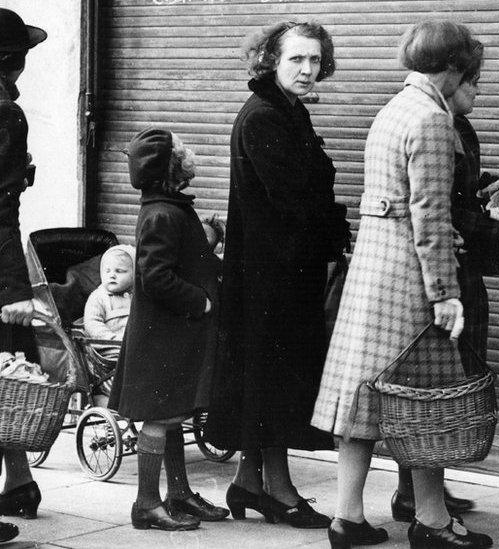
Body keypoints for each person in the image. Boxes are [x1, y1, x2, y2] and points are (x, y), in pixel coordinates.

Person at [312, 20, 494, 549]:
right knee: (426, 402)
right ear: (455, 67)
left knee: (365, 399)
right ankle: (433, 523)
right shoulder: (434, 119)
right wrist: (446, 292)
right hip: (410, 280)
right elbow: (431, 213)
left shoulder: (394, 109)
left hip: (373, 270)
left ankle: (346, 519)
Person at [204, 20, 350, 529]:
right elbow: (294, 202)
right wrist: (336, 226)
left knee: (270, 379)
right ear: (271, 60)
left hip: (286, 271)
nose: (309, 69)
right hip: (270, 276)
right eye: (297, 60)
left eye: (315, 60)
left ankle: (248, 483)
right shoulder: (264, 116)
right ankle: (280, 491)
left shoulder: (289, 112)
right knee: (274, 382)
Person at [389, 50, 499, 525]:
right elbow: (441, 216)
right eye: (472, 82)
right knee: (435, 384)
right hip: (448, 273)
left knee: (452, 380)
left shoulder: (461, 128)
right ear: (451, 81)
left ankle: (423, 488)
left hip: (464, 271)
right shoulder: (436, 125)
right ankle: (415, 495)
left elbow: (460, 197)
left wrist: (495, 191)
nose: (478, 90)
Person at [108, 128, 228, 531]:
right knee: (160, 416)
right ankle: (146, 503)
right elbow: (156, 276)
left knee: (173, 411)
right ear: (172, 168)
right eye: (181, 152)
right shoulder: (162, 213)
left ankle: (178, 494)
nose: (189, 155)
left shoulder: (168, 207)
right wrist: (201, 300)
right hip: (164, 336)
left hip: (174, 334)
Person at [0, 8, 47, 542]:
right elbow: (0, 206)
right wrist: (13, 288)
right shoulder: (6, 115)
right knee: (6, 373)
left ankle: (18, 481)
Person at [83, 244, 135, 407]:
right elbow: (92, 323)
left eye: (120, 271)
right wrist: (111, 338)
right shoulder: (99, 297)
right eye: (107, 271)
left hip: (133, 346)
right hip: (108, 349)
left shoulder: (137, 298)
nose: (112, 275)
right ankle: (109, 394)